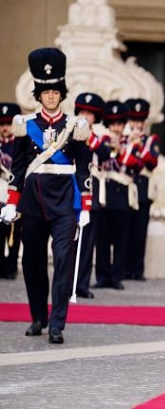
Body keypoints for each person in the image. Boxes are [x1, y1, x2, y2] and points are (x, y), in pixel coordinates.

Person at [0, 47, 93, 344]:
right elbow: (17, 167)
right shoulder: (25, 125)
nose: (51, 97)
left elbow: (84, 167)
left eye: (55, 92)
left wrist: (86, 204)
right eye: (46, 92)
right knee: (32, 261)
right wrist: (11, 202)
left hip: (65, 201)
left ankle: (57, 323)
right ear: (38, 95)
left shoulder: (75, 126)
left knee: (63, 259)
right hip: (33, 200)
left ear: (61, 94)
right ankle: (38, 316)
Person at [94, 101, 140, 291]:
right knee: (102, 238)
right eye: (112, 124)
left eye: (119, 124)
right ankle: (102, 276)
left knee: (121, 239)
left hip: (122, 194)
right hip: (104, 193)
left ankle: (116, 276)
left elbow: (137, 165)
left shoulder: (132, 142)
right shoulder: (102, 140)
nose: (116, 128)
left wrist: (120, 151)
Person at [73, 92, 107, 299]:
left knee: (87, 243)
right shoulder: (69, 132)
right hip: (71, 189)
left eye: (90, 114)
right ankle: (67, 282)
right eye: (82, 112)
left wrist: (90, 138)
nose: (85, 116)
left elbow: (105, 154)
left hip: (90, 190)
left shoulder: (97, 137)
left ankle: (82, 284)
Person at [124, 98, 160, 281]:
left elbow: (152, 162)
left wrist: (138, 145)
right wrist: (130, 143)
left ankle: (137, 269)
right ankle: (122, 268)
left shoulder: (151, 140)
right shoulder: (123, 139)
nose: (137, 124)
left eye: (140, 121)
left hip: (143, 189)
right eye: (134, 120)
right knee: (124, 230)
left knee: (139, 231)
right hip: (125, 187)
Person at [0, 102, 23, 280]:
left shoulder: (20, 144)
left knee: (14, 233)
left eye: (8, 124)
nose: (5, 127)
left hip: (14, 193)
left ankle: (12, 266)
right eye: (1, 124)